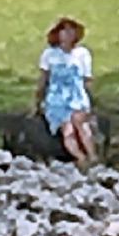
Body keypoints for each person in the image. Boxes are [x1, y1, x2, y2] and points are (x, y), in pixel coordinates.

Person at [34, 16, 98, 166]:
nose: (68, 34)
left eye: (71, 30)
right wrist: (38, 99)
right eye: (64, 30)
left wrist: (90, 98)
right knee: (67, 130)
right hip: (56, 98)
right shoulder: (49, 55)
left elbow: (85, 78)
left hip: (76, 94)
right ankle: (80, 158)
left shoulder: (82, 54)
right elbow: (43, 78)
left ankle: (93, 156)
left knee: (81, 124)